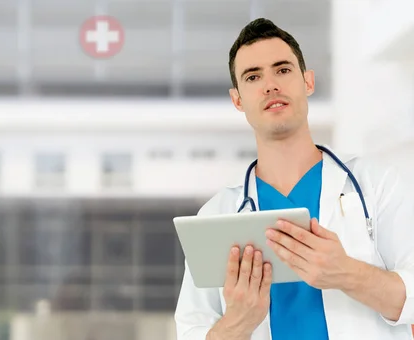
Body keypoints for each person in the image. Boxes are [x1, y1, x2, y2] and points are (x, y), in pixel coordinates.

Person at [174, 18, 414, 340]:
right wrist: (239, 322)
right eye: (253, 76)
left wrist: (345, 272)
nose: (270, 84)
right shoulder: (216, 216)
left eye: (283, 70)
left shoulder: (377, 186)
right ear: (238, 100)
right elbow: (191, 330)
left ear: (308, 82)